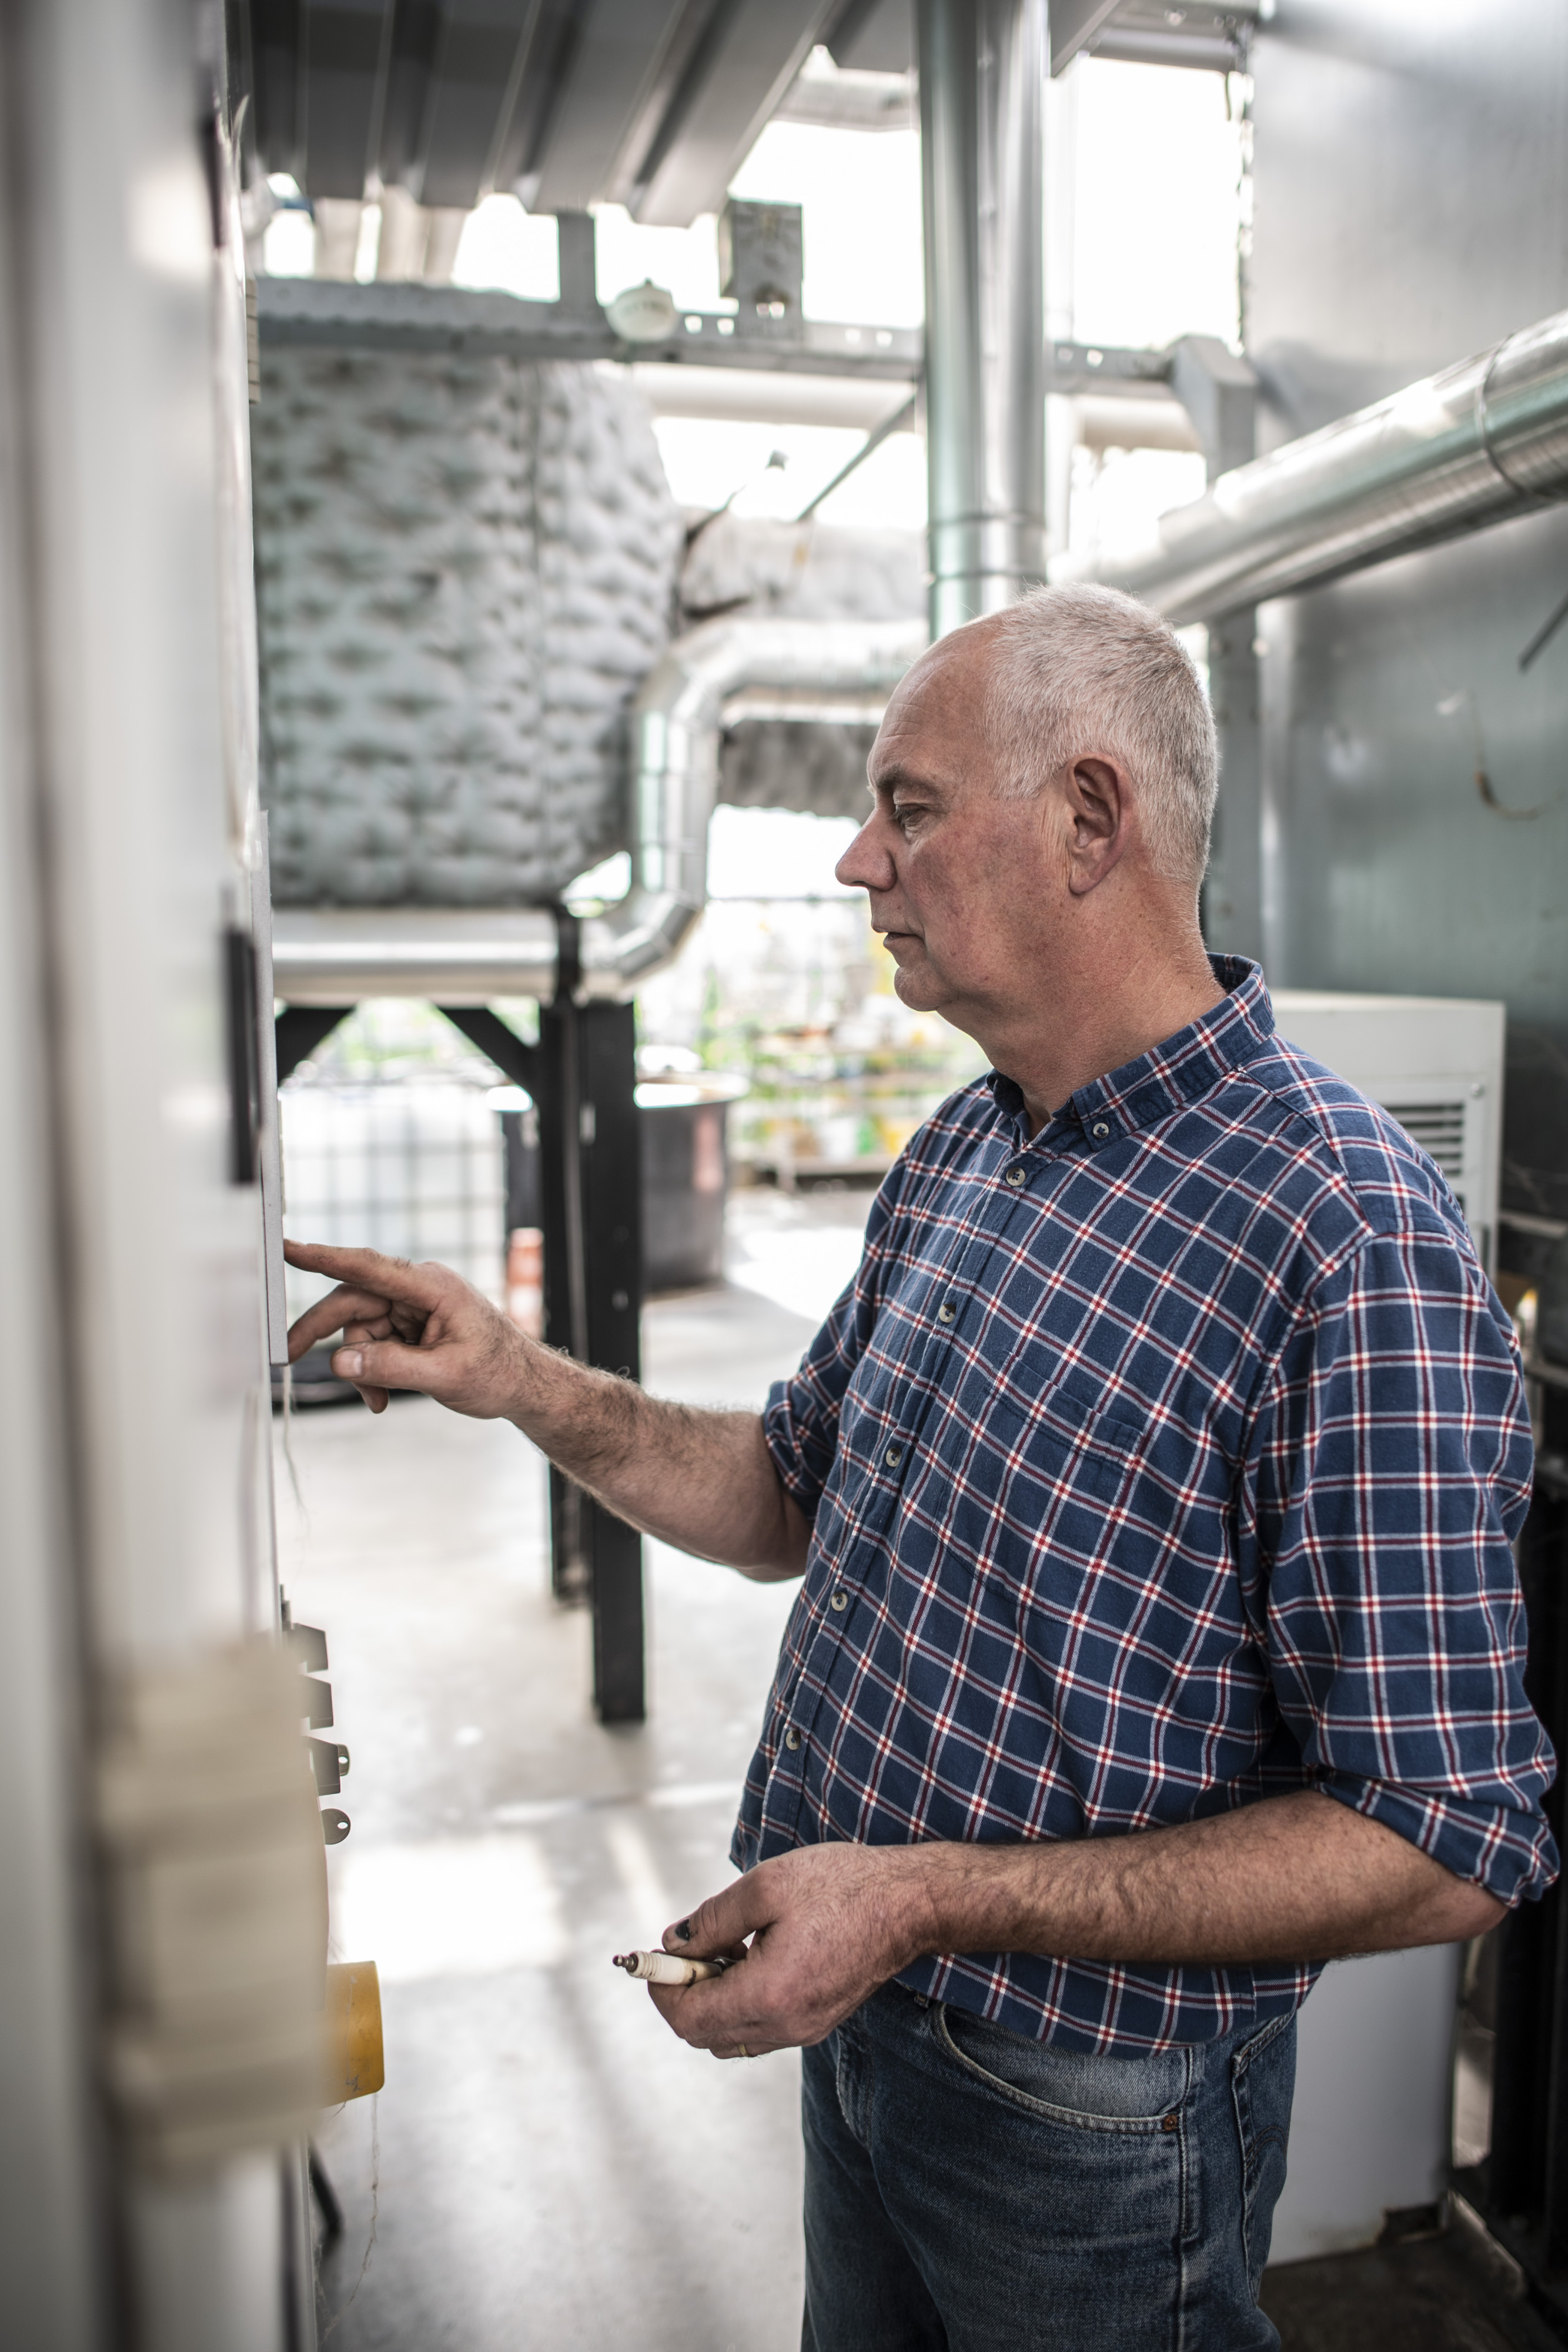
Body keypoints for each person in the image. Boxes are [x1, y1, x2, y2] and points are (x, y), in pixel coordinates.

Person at [286, 583, 1555, 2351]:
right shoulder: (968, 1149)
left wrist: (924, 1895)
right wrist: (517, 1379)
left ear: (1089, 822)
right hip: (868, 2027)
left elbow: (1442, 1838)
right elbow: (786, 1494)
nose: (854, 868)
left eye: (908, 807)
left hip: (1085, 2125)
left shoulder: (1339, 1237)